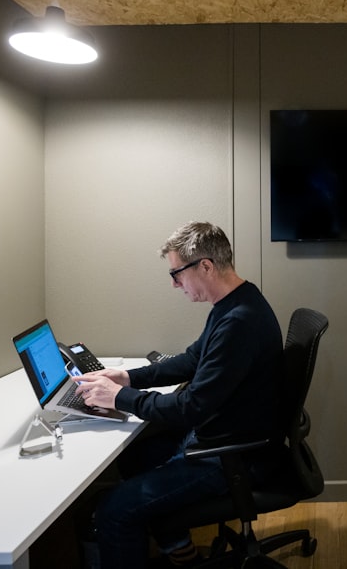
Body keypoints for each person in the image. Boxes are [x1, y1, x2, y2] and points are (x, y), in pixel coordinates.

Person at [73, 221, 285, 568]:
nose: (174, 284)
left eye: (177, 273)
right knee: (131, 459)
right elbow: (191, 359)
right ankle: (179, 549)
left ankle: (169, 544)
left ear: (205, 266)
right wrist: (127, 378)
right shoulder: (235, 302)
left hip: (230, 456)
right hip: (219, 435)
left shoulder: (239, 322)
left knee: (114, 511)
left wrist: (118, 398)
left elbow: (189, 408)